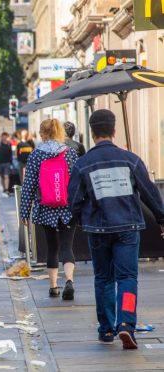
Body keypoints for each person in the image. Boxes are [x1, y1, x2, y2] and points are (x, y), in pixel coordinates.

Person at [68, 109, 164, 349]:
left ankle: (107, 329)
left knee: (103, 279)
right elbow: (150, 193)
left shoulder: (83, 164)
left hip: (98, 229)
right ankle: (126, 325)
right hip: (128, 226)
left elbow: (74, 201)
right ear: (114, 130)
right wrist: (162, 219)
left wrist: (82, 219)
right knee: (128, 277)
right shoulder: (130, 159)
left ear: (92, 133)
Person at [19, 118, 78, 300]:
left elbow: (29, 185)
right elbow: (77, 182)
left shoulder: (36, 154)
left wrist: (24, 212)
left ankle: (53, 286)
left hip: (45, 208)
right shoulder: (70, 153)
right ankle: (69, 279)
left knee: (52, 247)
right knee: (67, 246)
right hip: (67, 207)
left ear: (43, 133)